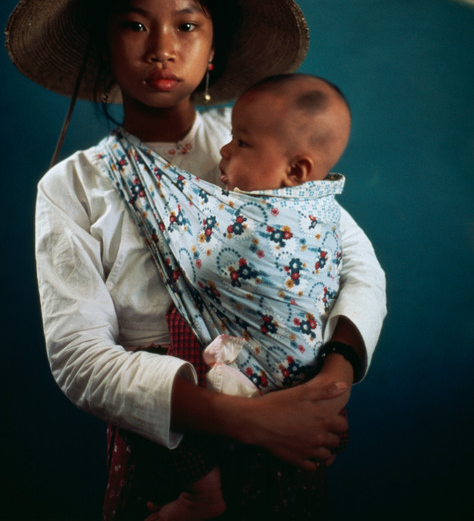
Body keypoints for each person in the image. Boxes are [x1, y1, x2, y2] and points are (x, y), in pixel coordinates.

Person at [5, 0, 386, 520]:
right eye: (134, 24)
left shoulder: (260, 153)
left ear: (214, 49)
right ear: (105, 42)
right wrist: (248, 420)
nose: (162, 48)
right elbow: (80, 359)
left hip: (292, 428)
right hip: (171, 445)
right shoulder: (73, 186)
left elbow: (355, 264)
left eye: (188, 25)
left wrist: (330, 381)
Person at [102, 72, 353, 521]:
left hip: (267, 376)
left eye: (240, 143)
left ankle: (201, 493)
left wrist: (337, 376)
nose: (224, 150)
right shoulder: (319, 202)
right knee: (144, 388)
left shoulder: (281, 218)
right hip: (287, 395)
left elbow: (199, 264)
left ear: (295, 172)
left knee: (157, 376)